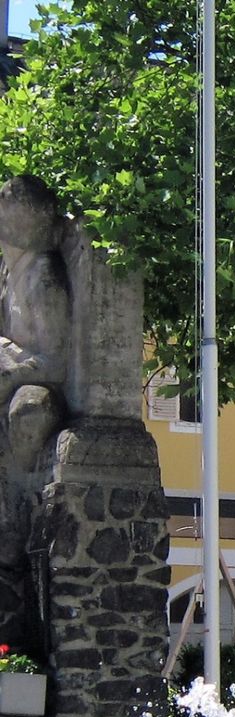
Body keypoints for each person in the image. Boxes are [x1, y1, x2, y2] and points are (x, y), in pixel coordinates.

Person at [0, 175, 70, 566]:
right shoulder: (8, 273)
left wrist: (11, 375)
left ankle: (18, 518)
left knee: (25, 414)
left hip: (37, 388)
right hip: (12, 373)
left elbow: (56, 360)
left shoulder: (43, 276)